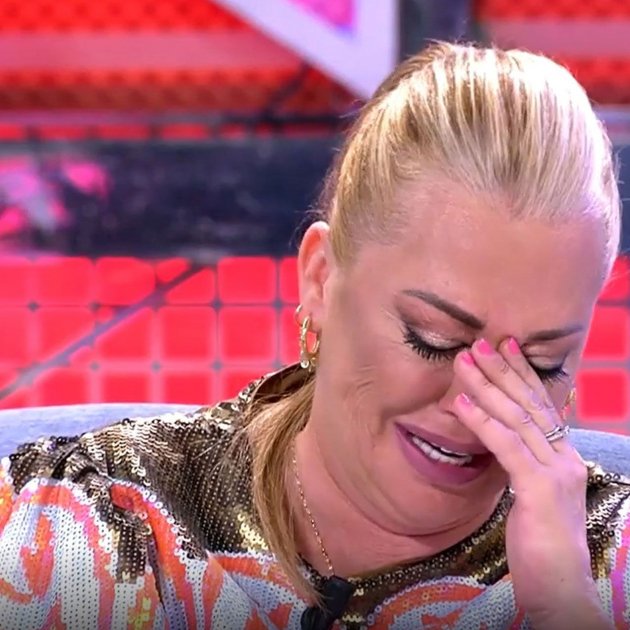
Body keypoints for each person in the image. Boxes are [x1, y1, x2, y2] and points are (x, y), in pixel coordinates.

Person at [0, 41, 627, 629]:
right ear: (322, 279)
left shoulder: (612, 561)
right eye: (432, 338)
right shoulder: (92, 519)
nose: (475, 405)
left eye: (540, 363)